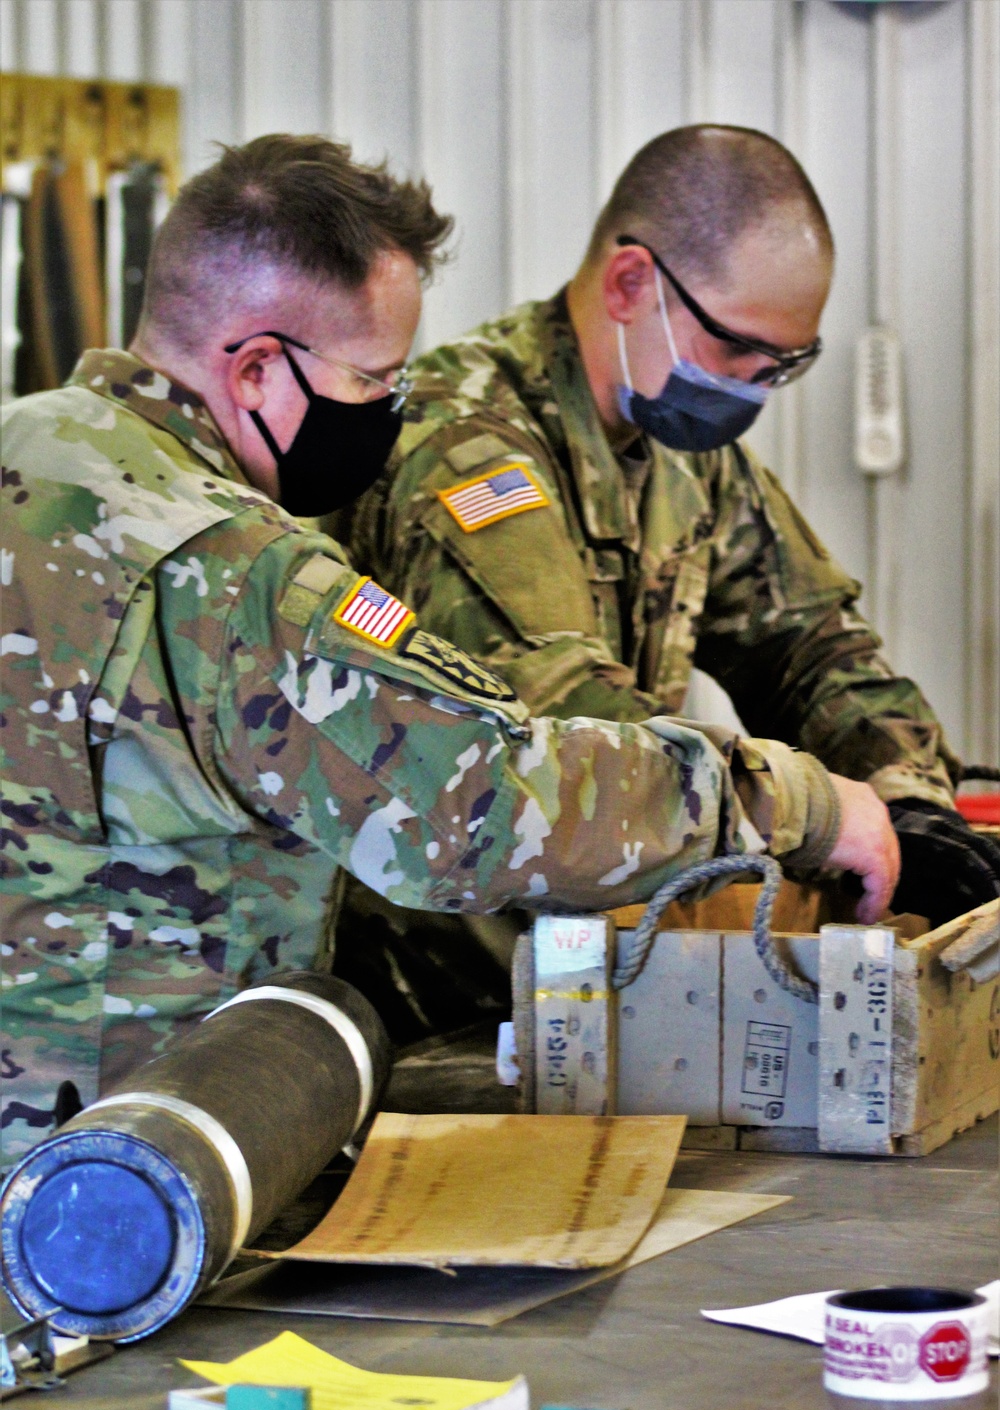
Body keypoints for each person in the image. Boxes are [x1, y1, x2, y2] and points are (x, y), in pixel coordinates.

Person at [0, 133, 899, 1169]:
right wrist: (794, 800)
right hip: (118, 1191)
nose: (391, 415)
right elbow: (479, 805)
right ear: (253, 369)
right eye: (376, 379)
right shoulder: (234, 570)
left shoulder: (32, 450)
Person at [338, 124, 999, 970]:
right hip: (442, 984)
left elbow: (811, 648)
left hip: (594, 960)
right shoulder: (472, 446)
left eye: (783, 366)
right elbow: (565, 727)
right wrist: (806, 806)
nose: (752, 391)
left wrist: (907, 801)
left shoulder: (686, 457)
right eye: (738, 351)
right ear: (630, 282)